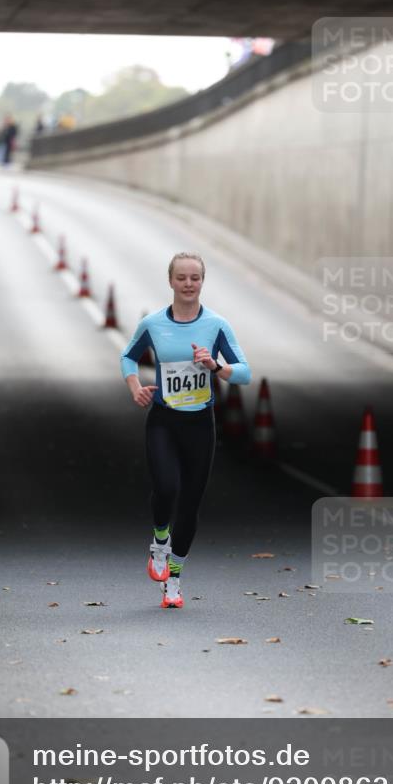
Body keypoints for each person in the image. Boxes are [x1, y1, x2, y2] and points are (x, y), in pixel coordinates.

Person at [120, 252, 251, 609]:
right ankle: (159, 542)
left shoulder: (216, 325)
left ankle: (173, 579)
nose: (189, 284)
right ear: (171, 281)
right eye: (182, 278)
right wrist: (135, 387)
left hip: (200, 425)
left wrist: (215, 366)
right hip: (163, 420)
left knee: (191, 503)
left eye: (195, 278)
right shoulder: (152, 323)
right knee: (166, 487)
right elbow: (128, 356)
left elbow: (245, 372)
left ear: (202, 282)